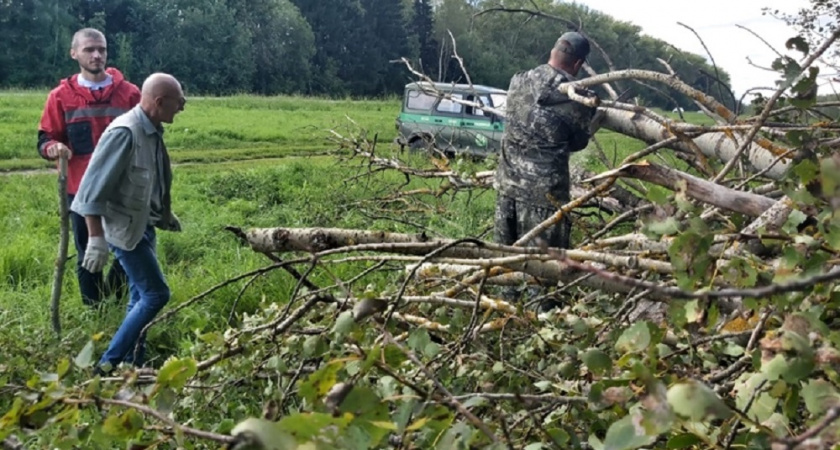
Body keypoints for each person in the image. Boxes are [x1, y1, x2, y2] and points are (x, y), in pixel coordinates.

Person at [71, 72, 186, 373]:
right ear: (159, 102)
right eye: (179, 101)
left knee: (138, 295)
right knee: (156, 294)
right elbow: (89, 192)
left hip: (143, 226)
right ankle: (107, 365)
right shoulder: (125, 133)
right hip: (125, 232)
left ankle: (134, 363)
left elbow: (150, 180)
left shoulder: (152, 130)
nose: (183, 107)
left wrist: (163, 213)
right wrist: (96, 239)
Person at [38, 28, 140, 308]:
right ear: (74, 54)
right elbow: (46, 137)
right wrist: (53, 149)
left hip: (123, 189)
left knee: (129, 249)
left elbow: (146, 135)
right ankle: (94, 312)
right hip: (80, 192)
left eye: (102, 49)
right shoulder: (60, 97)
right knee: (89, 253)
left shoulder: (129, 94)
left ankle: (117, 305)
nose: (96, 55)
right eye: (89, 49)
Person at [494, 31, 597, 304]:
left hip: (506, 188)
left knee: (507, 263)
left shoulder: (518, 80)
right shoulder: (575, 97)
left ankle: (506, 317)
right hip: (545, 197)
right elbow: (577, 142)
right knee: (546, 272)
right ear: (577, 64)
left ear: (553, 52)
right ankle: (543, 328)